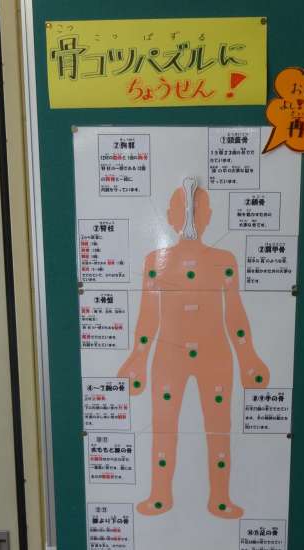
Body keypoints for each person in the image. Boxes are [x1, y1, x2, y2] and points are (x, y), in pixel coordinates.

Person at [118, 178, 269, 519]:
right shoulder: (155, 260)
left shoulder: (224, 259)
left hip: (214, 354)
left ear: (209, 216)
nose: (190, 216)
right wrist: (137, 359)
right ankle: (160, 495)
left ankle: (220, 499)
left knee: (218, 426)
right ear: (171, 216)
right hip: (169, 355)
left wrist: (249, 359)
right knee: (163, 425)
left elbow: (235, 314)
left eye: (197, 210)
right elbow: (148, 316)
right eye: (183, 209)